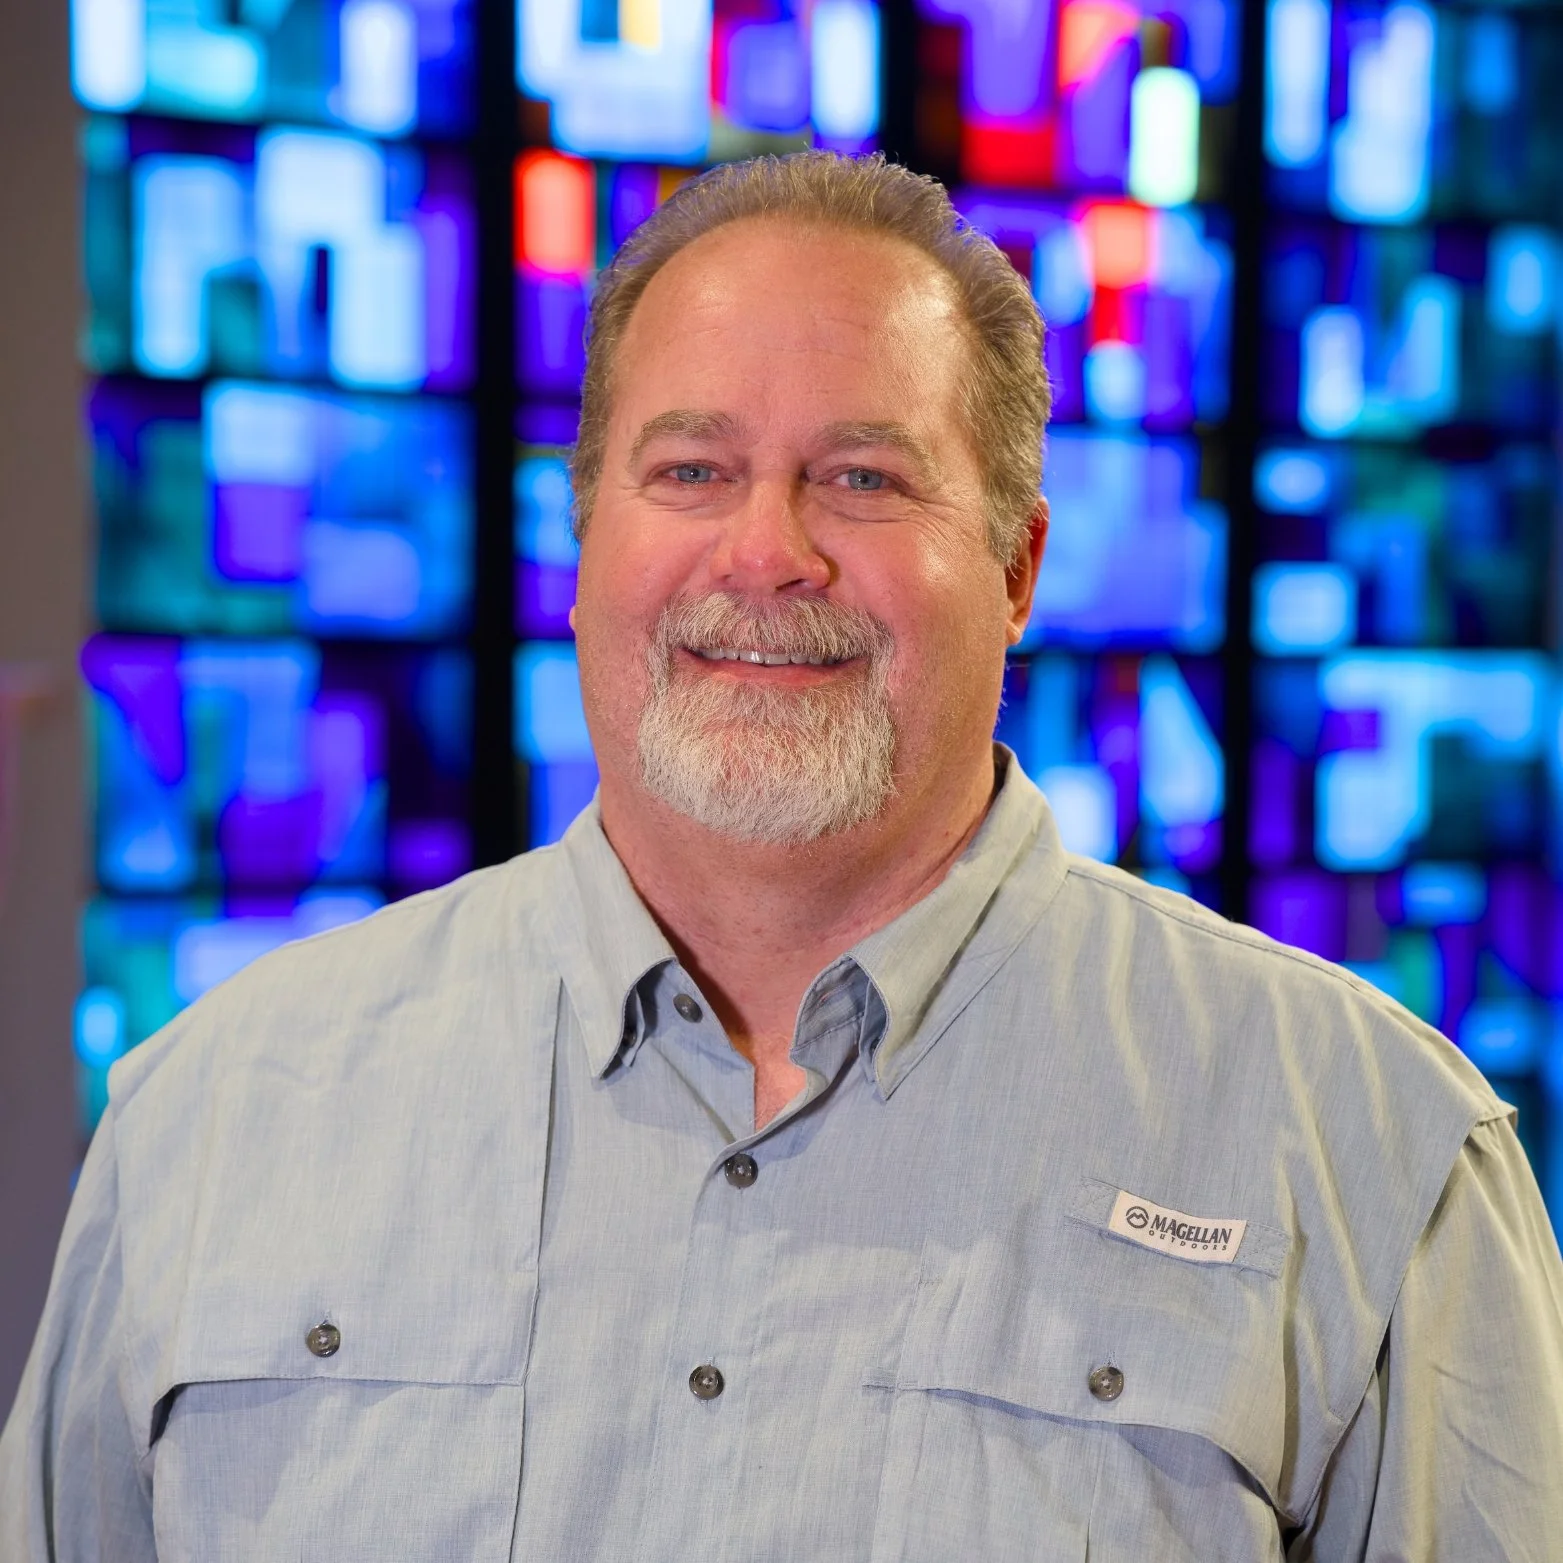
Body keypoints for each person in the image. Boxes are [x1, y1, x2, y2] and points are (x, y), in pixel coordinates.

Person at [4, 150, 1562, 1561]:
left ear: (1016, 566)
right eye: (690, 471)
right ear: (578, 543)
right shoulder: (211, 1117)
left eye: (862, 478)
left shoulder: (1369, 1150)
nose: (765, 552)